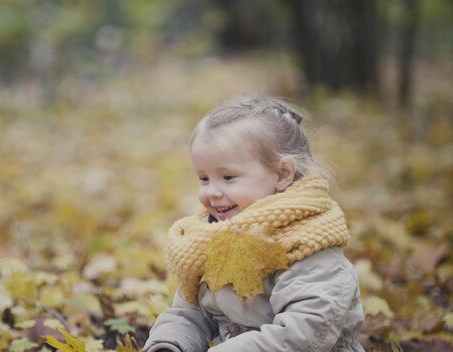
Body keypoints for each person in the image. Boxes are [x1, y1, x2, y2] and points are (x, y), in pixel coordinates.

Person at [143, 95, 364, 352]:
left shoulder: (309, 247)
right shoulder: (212, 240)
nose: (212, 192)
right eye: (204, 179)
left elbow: (302, 336)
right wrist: (170, 344)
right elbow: (189, 313)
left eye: (228, 177)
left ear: (282, 174)